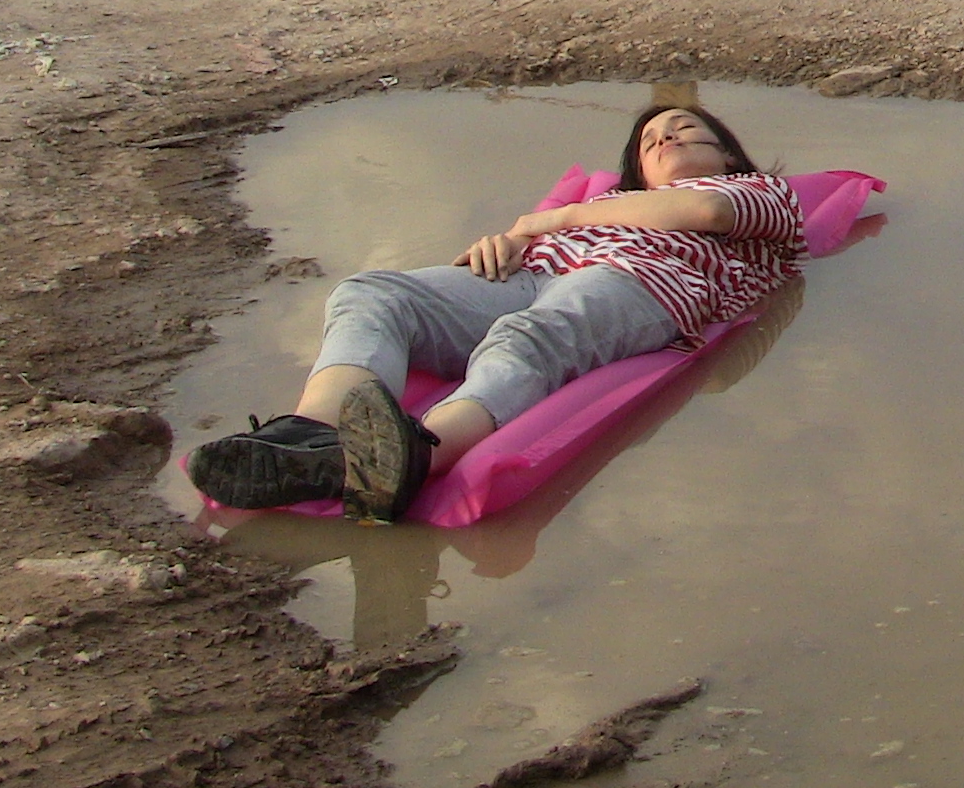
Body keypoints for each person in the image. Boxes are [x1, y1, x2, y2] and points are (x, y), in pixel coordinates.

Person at [188, 102, 805, 522]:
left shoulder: (758, 194)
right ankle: (310, 439)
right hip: (532, 273)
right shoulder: (609, 203)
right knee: (372, 293)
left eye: (683, 129)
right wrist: (508, 241)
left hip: (645, 284)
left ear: (728, 155)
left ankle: (416, 454)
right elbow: (543, 238)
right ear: (635, 171)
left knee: (526, 336)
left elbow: (704, 218)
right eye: (649, 141)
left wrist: (550, 218)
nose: (664, 137)